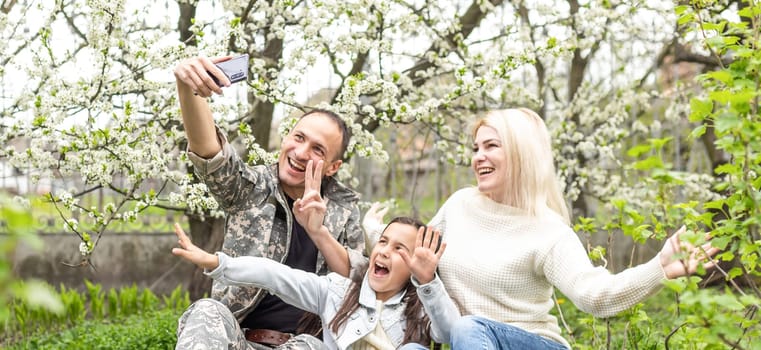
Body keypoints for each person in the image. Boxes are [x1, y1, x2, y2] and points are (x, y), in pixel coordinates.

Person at [422, 108, 719, 349]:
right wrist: (374, 236)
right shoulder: (459, 206)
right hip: (472, 342)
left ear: (521, 154)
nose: (478, 157)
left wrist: (660, 269)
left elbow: (594, 294)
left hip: (534, 344)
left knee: (468, 328)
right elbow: (407, 247)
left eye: (491, 146)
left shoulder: (548, 231)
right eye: (476, 148)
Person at [173, 56, 366, 348]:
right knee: (206, 311)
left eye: (317, 149)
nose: (301, 152)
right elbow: (210, 153)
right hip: (237, 339)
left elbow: (356, 287)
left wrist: (318, 232)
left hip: (305, 344)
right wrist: (189, 88)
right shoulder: (252, 189)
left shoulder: (345, 210)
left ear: (333, 166)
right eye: (298, 137)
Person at [171, 216, 459, 350]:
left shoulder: (420, 308)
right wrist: (218, 263)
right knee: (210, 310)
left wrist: (427, 281)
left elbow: (448, 333)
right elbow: (276, 276)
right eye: (383, 241)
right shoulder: (338, 290)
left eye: (400, 249)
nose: (384, 250)